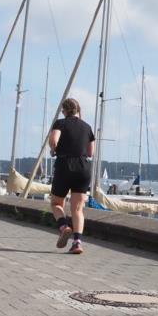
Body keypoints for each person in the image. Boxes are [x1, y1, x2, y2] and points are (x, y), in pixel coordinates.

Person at [48, 98, 95, 255]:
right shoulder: (87, 127)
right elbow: (90, 152)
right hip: (83, 168)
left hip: (65, 165)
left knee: (56, 203)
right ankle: (77, 243)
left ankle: (64, 227)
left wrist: (53, 150)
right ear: (77, 110)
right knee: (77, 209)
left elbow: (53, 140)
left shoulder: (60, 123)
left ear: (64, 110)